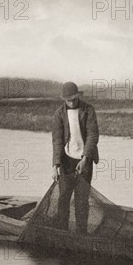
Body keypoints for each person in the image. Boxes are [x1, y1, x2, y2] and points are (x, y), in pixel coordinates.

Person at [51, 81, 99, 233]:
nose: (71, 102)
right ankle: (61, 232)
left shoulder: (88, 110)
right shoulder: (59, 113)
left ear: (78, 96)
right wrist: (55, 165)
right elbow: (57, 140)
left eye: (73, 99)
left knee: (82, 200)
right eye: (68, 100)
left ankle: (81, 234)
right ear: (64, 99)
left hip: (85, 160)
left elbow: (93, 135)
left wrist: (85, 159)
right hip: (66, 161)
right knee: (63, 198)